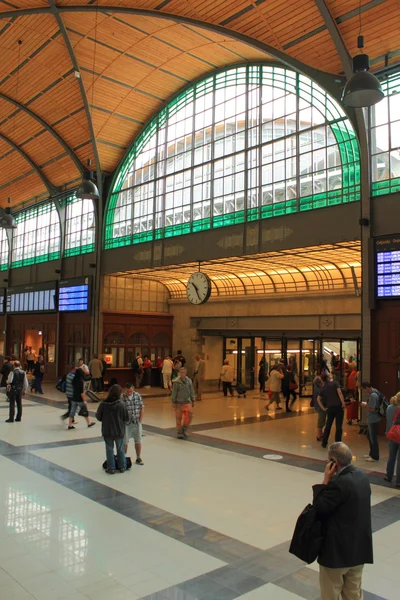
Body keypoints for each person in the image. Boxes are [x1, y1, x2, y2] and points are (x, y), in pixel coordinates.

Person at [312, 442, 373, 600]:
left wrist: (325, 480)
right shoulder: (362, 477)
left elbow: (318, 507)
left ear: (335, 463)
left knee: (330, 593)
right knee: (353, 593)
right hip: (358, 550)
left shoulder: (338, 484)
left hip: (336, 554)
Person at [96, 384, 129, 474]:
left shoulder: (103, 404)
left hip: (107, 430)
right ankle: (122, 466)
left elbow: (98, 417)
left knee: (109, 448)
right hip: (119, 430)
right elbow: (126, 418)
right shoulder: (121, 404)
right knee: (120, 448)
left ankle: (111, 467)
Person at [317, 373, 346, 448]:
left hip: (329, 408)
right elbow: (339, 393)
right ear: (328, 377)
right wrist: (343, 403)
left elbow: (318, 399)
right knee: (338, 426)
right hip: (338, 407)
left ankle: (324, 442)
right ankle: (338, 443)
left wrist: (323, 408)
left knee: (328, 425)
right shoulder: (335, 383)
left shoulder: (323, 388)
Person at [122, 383, 144, 465]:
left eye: (130, 391)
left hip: (136, 422)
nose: (129, 393)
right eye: (128, 391)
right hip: (126, 423)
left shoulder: (137, 396)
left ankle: (138, 457)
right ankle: (123, 457)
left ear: (133, 389)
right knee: (125, 441)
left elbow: (142, 407)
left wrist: (140, 420)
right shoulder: (122, 397)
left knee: (138, 440)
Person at [361, 381, 382, 462]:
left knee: (373, 438)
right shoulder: (376, 391)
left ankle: (375, 456)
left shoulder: (373, 395)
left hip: (373, 418)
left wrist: (365, 405)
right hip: (374, 418)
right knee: (369, 436)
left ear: (366, 388)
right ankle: (371, 453)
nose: (364, 391)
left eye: (364, 389)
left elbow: (372, 408)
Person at [171, 367, 195, 439]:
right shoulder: (176, 382)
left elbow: (191, 390)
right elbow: (174, 392)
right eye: (181, 372)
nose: (183, 374)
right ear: (179, 373)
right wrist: (173, 401)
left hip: (187, 402)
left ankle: (184, 429)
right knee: (178, 418)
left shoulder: (189, 381)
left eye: (184, 372)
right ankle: (179, 432)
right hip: (178, 403)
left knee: (189, 416)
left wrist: (193, 399)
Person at [312, 375, 326, 441]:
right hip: (321, 406)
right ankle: (319, 435)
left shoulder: (315, 388)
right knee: (321, 420)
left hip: (317, 406)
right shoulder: (320, 389)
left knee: (321, 419)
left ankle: (320, 433)